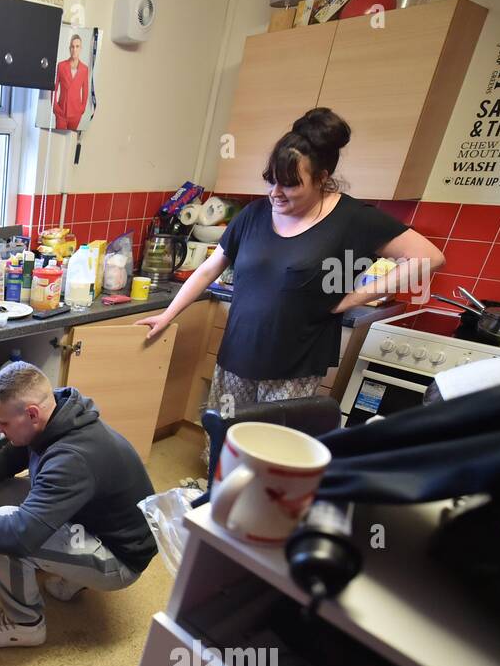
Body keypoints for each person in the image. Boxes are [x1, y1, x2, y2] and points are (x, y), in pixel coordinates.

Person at [136, 107, 445, 465]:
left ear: (322, 178)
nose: (276, 193)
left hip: (295, 364)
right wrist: (167, 315)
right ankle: (216, 496)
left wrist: (354, 298)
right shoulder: (253, 214)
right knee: (224, 433)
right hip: (237, 353)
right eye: (272, 180)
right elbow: (209, 269)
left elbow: (427, 257)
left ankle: (259, 510)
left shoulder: (353, 219)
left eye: (291, 184)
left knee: (271, 449)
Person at [0, 362, 156, 648]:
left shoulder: (72, 459)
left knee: (5, 533)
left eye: (3, 423)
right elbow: (9, 458)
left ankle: (24, 625)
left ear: (30, 413)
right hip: (91, 523)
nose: (0, 432)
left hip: (120, 559)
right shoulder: (57, 415)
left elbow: (17, 535)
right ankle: (66, 570)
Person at [53, 34, 89, 131]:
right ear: (70, 48)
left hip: (76, 113)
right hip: (62, 111)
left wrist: (82, 108)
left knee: (71, 141)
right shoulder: (61, 66)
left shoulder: (84, 69)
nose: (74, 49)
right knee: (58, 138)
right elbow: (54, 88)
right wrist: (55, 106)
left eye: (77, 46)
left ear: (81, 48)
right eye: (72, 47)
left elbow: (85, 90)